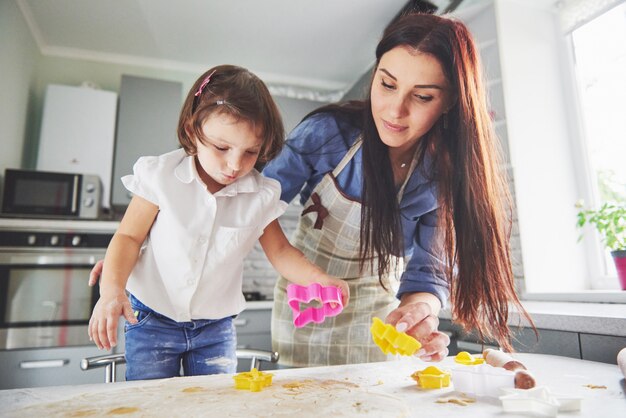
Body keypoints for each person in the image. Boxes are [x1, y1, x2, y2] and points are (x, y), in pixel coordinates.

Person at [261, 12, 532, 367]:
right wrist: (308, 275)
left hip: (379, 313)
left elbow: (429, 273)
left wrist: (417, 312)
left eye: (421, 96)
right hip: (306, 300)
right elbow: (258, 209)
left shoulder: (442, 176)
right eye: (387, 85)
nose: (395, 110)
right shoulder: (327, 133)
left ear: (450, 101)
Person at [87, 65, 349, 381]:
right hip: (152, 318)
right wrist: (112, 288)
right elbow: (128, 237)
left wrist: (318, 278)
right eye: (221, 147)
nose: (235, 165)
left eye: (251, 152)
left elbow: (280, 251)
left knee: (216, 404)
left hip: (215, 328)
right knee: (150, 404)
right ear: (192, 130)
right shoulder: (160, 176)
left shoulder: (261, 194)